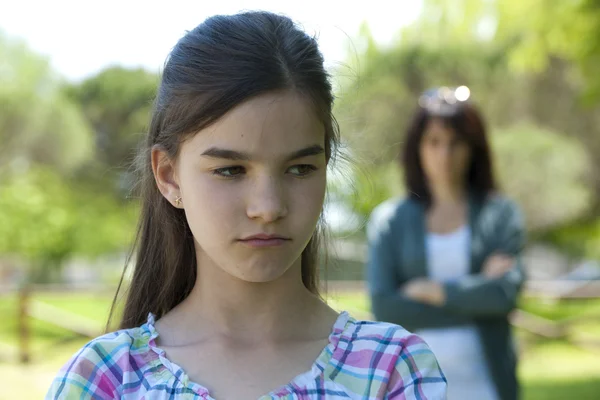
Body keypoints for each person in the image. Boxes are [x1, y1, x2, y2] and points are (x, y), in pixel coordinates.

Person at [46, 12, 446, 400]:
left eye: (300, 168)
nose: (268, 207)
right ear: (169, 176)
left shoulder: (390, 371)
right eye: (231, 170)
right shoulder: (104, 379)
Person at [366, 86, 526, 400]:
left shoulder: (501, 213)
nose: (445, 155)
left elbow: (505, 295)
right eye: (434, 142)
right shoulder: (389, 220)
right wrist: (479, 298)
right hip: (411, 388)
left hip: (489, 387)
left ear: (474, 148)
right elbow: (385, 308)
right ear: (417, 148)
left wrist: (434, 291)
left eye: (457, 143)